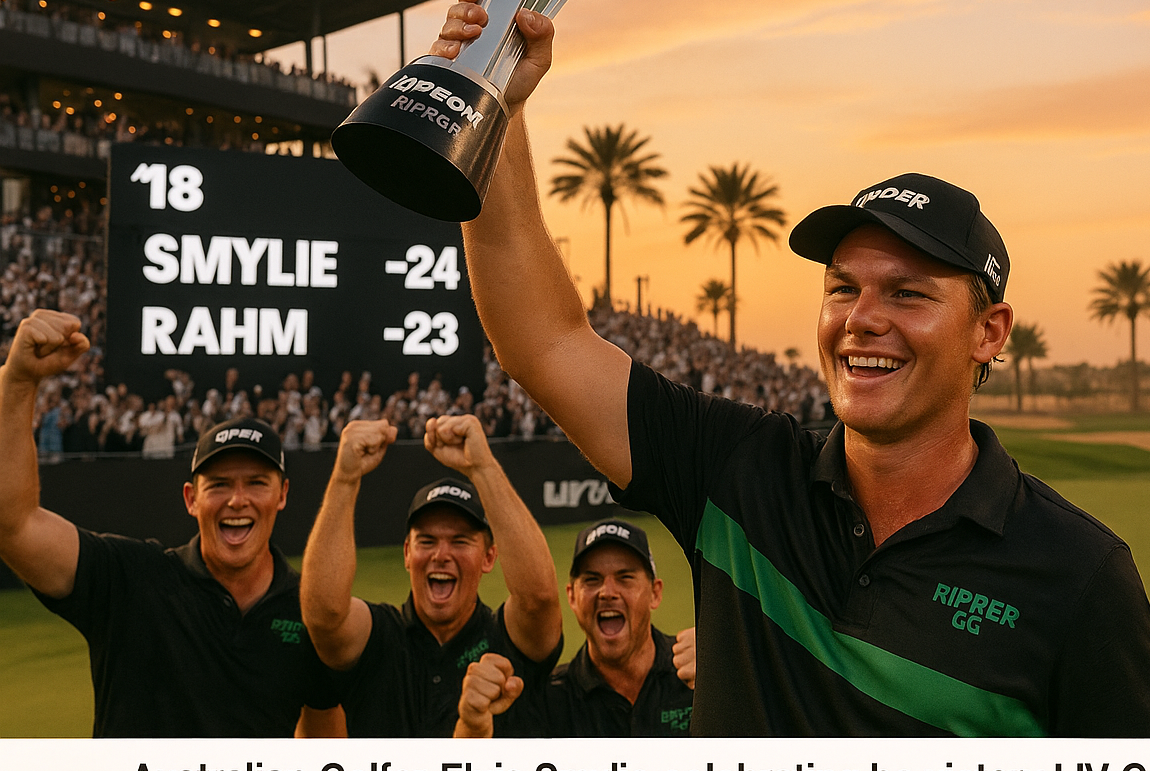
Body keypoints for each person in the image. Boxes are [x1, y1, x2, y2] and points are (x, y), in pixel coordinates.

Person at [432, 0, 1150, 736]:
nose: (863, 320)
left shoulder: (1077, 575)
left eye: (908, 294)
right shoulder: (739, 474)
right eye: (843, 288)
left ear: (989, 333)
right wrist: (495, 104)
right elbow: (544, 341)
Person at [0, 309, 340, 736]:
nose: (237, 500)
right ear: (191, 499)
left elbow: (326, 749)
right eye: (217, 485)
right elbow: (13, 525)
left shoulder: (311, 612)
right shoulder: (128, 579)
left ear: (282, 495)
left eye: (256, 482)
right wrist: (17, 382)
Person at [300, 413, 563, 736]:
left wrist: (483, 469)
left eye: (460, 541)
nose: (441, 555)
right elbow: (324, 614)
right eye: (427, 541)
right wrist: (344, 479)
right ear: (408, 553)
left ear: (489, 556)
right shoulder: (377, 637)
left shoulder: (504, 639)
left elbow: (539, 599)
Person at [456, 519, 696, 738]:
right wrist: (472, 727)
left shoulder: (699, 673)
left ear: (655, 593)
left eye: (625, 578)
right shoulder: (550, 699)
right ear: (571, 597)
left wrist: (729, 673)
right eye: (592, 579)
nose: (608, 592)